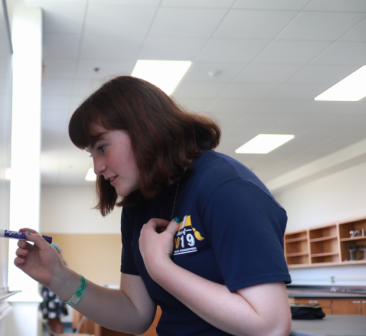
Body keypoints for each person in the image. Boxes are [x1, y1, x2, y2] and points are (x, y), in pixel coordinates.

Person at [15, 76, 292, 336]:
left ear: (143, 129)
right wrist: (58, 277)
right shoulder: (140, 202)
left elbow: (270, 325)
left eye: (101, 147)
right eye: (91, 154)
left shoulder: (226, 189)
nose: (97, 167)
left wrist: (161, 267)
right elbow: (136, 313)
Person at [39, 243, 68, 335]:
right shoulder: (49, 261)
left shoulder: (60, 262)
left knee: (55, 320)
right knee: (50, 319)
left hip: (55, 296)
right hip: (49, 296)